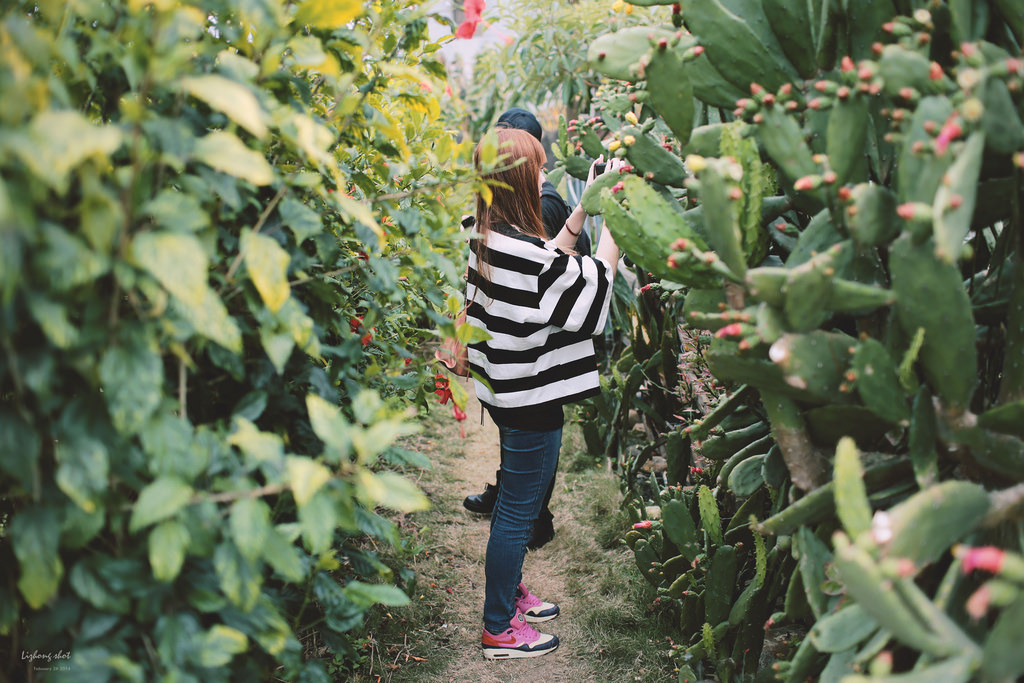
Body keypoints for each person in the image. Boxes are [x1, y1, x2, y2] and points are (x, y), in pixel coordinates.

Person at [467, 127, 621, 659]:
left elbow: (546, 267)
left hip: (505, 388)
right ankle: (498, 627)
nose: (544, 176)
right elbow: (589, 289)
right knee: (518, 511)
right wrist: (615, 222)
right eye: (536, 168)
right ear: (516, 180)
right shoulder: (520, 253)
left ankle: (509, 595)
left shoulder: (486, 233)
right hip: (529, 397)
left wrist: (582, 211)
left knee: (516, 499)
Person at [462, 107, 590, 551]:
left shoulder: (538, 207)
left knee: (525, 474)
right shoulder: (500, 220)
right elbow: (554, 278)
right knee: (521, 489)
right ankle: (523, 517)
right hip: (520, 373)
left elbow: (549, 274)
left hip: (520, 370)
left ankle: (529, 513)